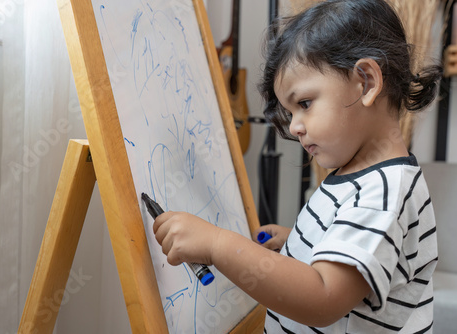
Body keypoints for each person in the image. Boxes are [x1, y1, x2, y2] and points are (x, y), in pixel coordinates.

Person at [153, 0, 440, 332]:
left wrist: (217, 245)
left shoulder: (383, 194)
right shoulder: (365, 178)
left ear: (366, 82)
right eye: (291, 112)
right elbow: (355, 248)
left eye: (304, 103)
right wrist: (300, 244)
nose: (294, 127)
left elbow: (323, 298)